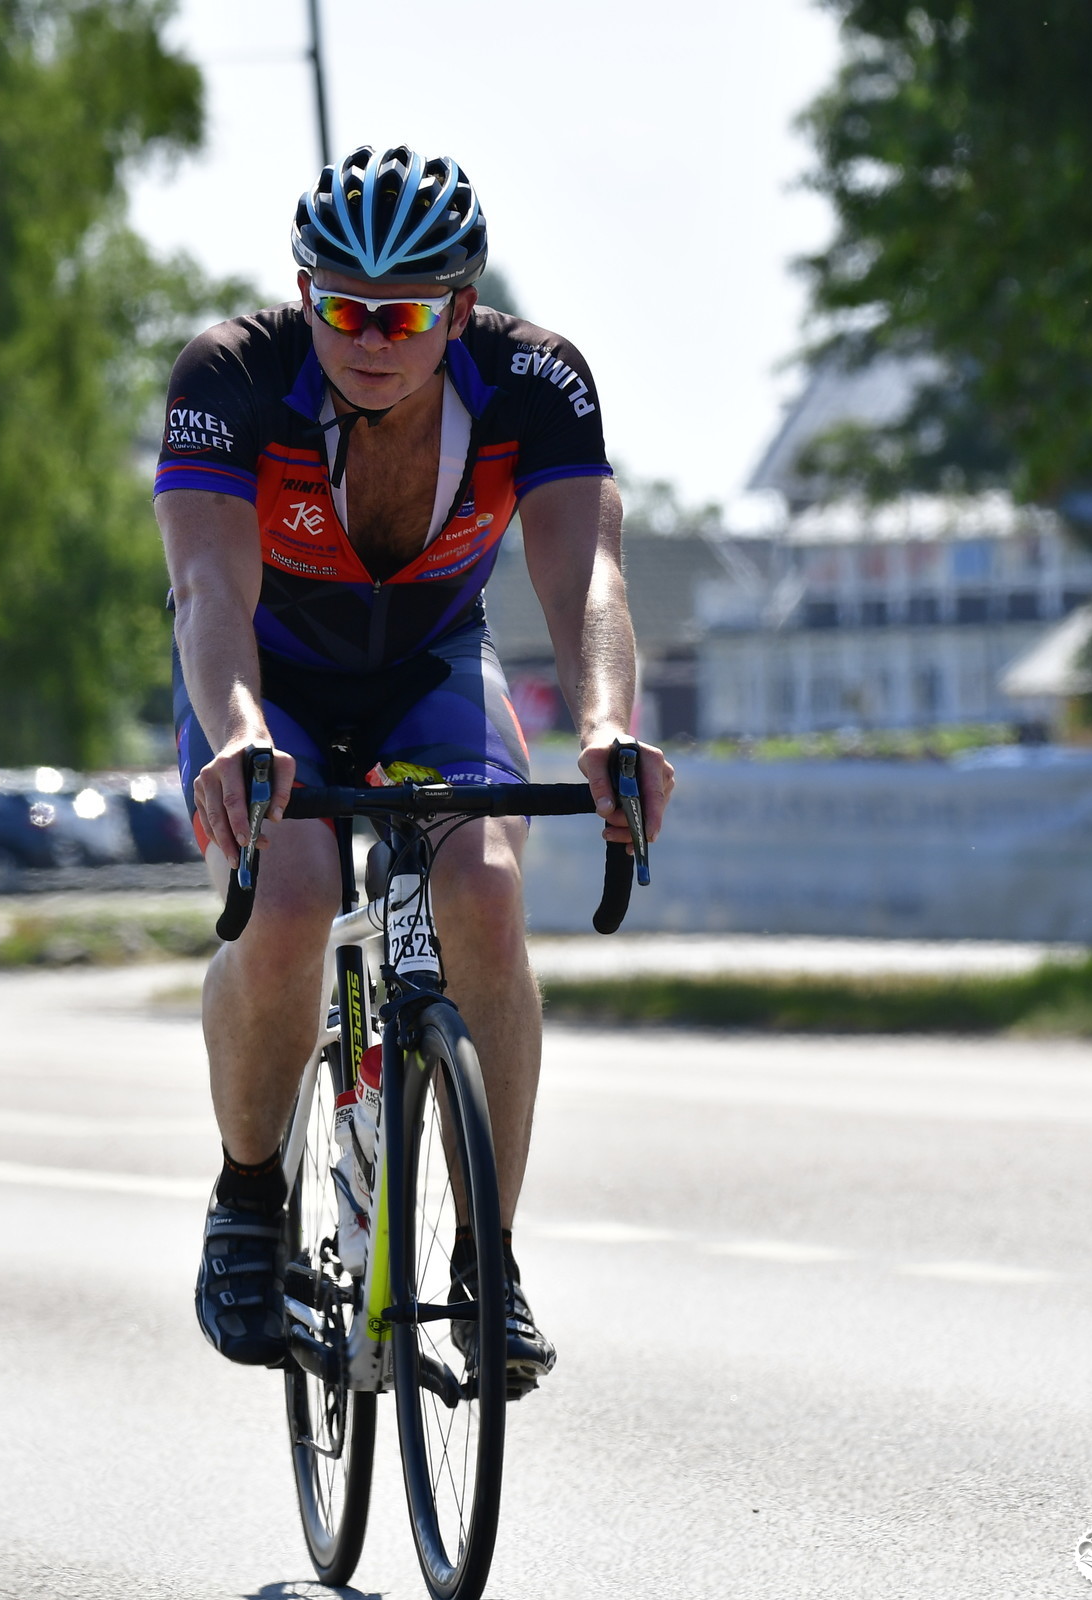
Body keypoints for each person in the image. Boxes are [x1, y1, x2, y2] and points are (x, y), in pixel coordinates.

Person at [155, 145, 673, 1396]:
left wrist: (606, 724)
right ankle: (245, 1201)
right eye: (342, 310)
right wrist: (237, 733)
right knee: (286, 902)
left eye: (401, 316)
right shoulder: (232, 375)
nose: (369, 341)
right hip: (266, 680)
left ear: (458, 307)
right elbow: (207, 586)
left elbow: (586, 577)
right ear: (304, 293)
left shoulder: (535, 381)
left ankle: (491, 1260)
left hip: (429, 668)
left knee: (483, 892)